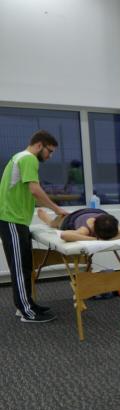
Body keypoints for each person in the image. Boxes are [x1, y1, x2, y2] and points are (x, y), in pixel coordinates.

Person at [0, 130, 69, 323]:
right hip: (11, 219)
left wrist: (47, 211)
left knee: (25, 265)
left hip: (17, 220)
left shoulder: (20, 158)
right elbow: (35, 190)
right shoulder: (28, 158)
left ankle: (27, 304)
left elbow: (28, 193)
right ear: (39, 145)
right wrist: (57, 209)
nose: (50, 156)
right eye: (50, 151)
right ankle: (26, 311)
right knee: (20, 268)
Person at [37, 207, 120, 241]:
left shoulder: (111, 227)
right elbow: (64, 235)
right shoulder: (85, 229)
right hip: (70, 219)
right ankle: (47, 219)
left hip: (92, 211)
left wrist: (119, 237)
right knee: (55, 224)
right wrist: (94, 239)